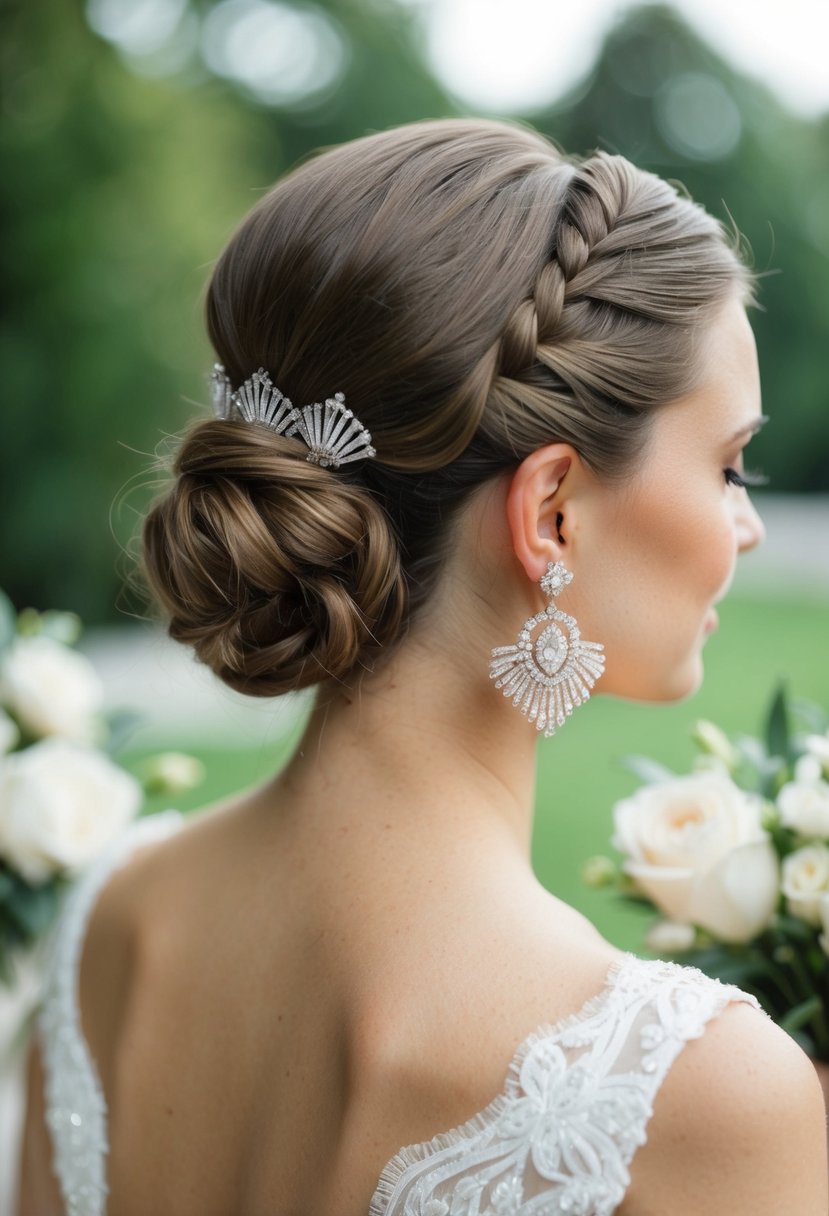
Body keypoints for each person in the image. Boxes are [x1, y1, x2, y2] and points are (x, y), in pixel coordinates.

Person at [17, 117, 828, 1215]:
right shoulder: (699, 1098)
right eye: (729, 465)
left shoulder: (107, 925)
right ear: (549, 510)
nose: (748, 528)